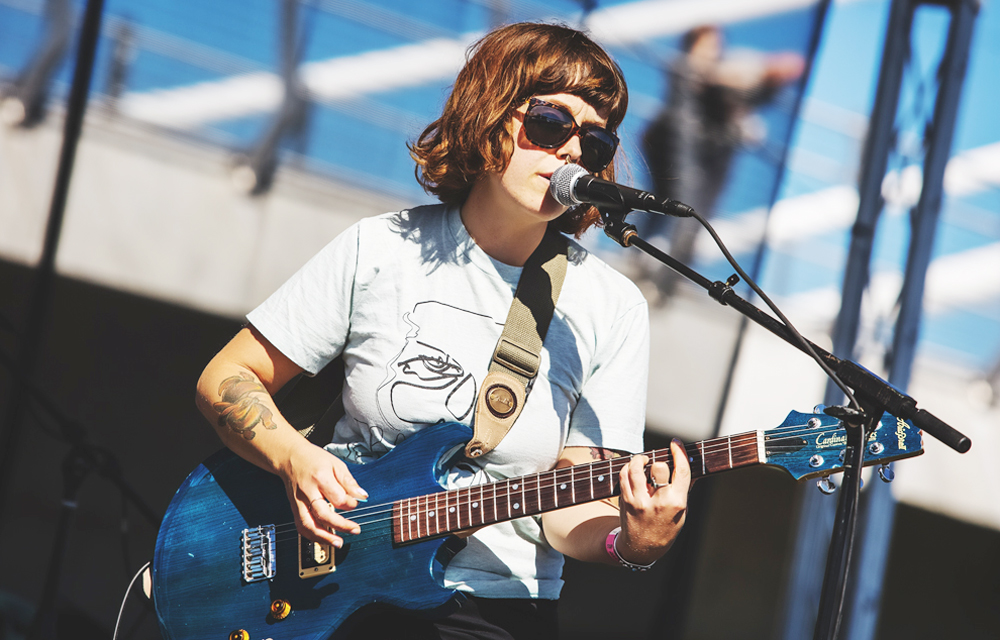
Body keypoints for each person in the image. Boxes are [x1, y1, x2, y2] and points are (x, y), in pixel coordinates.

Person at [195, 22, 691, 639]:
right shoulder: (381, 248)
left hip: (496, 609)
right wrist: (296, 458)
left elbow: (569, 508)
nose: (568, 152)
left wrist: (632, 542)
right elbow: (228, 377)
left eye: (592, 142)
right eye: (549, 122)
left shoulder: (609, 304)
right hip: (331, 587)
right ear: (490, 117)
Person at [640, 25, 804, 300]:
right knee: (668, 204)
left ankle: (666, 280)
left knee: (694, 215)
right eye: (706, 45)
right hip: (677, 148)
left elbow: (733, 102)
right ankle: (645, 261)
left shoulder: (752, 81)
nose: (712, 52)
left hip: (709, 155)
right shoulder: (693, 71)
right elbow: (703, 94)